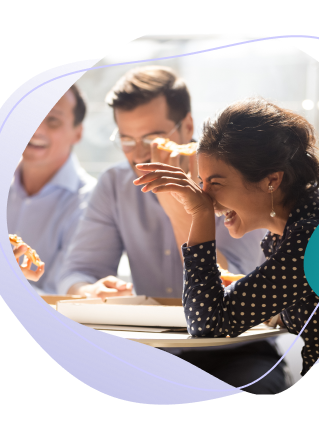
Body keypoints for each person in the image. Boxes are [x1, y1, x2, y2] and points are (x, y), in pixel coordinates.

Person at [58, 66, 290, 394]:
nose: (139, 154)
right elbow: (77, 271)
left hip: (237, 349)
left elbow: (229, 287)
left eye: (153, 138)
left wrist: (178, 206)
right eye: (126, 139)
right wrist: (89, 291)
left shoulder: (238, 179)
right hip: (151, 351)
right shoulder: (114, 185)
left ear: (189, 127)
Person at [135, 96, 319, 377]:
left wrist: (198, 215)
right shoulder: (292, 233)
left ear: (272, 181)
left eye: (216, 183)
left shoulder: (312, 239)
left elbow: (208, 325)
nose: (205, 196)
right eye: (202, 183)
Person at [7, 84, 97, 294]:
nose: (36, 129)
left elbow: (61, 295)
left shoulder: (91, 202)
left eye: (53, 121)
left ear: (78, 133)